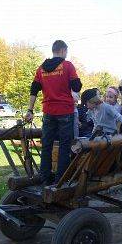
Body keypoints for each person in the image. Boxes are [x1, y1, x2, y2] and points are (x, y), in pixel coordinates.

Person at [25, 40, 82, 185]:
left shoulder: (41, 69)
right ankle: (60, 180)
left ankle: (45, 178)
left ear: (53, 50)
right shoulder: (67, 66)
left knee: (47, 145)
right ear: (63, 50)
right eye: (66, 52)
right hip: (65, 111)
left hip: (48, 112)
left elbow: (33, 90)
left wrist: (30, 110)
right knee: (64, 146)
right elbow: (77, 86)